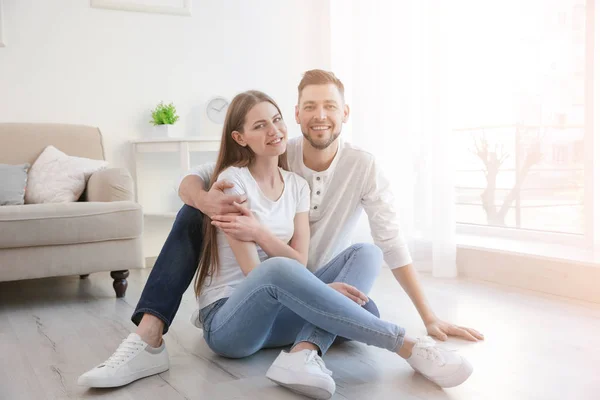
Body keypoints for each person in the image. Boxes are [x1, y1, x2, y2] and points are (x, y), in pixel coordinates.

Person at [79, 71, 483, 398]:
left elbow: (322, 257)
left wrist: (429, 315)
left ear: (345, 113)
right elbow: (254, 262)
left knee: (367, 258)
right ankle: (408, 347)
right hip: (234, 320)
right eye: (308, 107)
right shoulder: (235, 179)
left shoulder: (304, 183)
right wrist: (210, 204)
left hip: (285, 297)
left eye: (276, 121)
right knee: (277, 272)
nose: (274, 130)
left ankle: (303, 354)